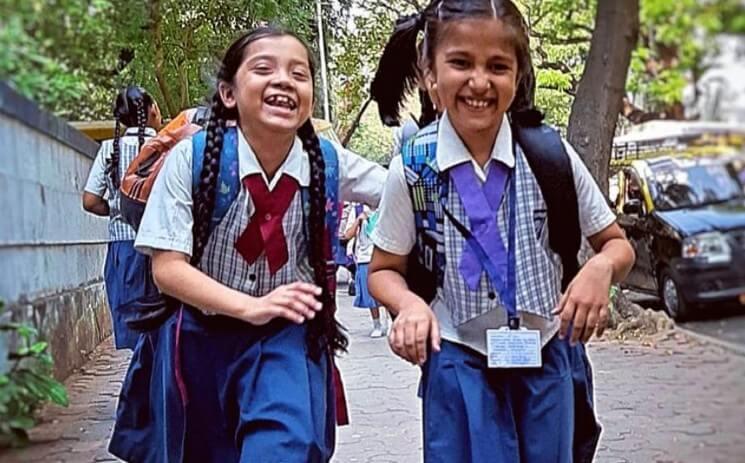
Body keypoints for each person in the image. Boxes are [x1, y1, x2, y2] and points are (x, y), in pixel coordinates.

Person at [367, 1, 636, 462]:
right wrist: (408, 304)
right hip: (457, 358)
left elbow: (616, 245)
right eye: (460, 63)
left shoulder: (550, 157)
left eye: (497, 66)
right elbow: (382, 270)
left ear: (517, 75)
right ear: (430, 74)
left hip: (546, 356)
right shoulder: (412, 169)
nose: (479, 81)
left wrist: (601, 269)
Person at [108, 27, 386, 462]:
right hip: (199, 338)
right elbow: (167, 269)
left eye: (299, 73)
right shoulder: (193, 158)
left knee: (283, 446)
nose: (284, 80)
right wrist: (249, 306)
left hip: (285, 338)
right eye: (263, 69)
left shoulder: (328, 161)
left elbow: (401, 192)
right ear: (228, 93)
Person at [82, 85, 162, 350]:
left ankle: (135, 384)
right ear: (152, 110)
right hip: (162, 247)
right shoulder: (168, 147)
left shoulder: (108, 150)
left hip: (123, 249)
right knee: (162, 331)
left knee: (133, 332)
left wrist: (116, 209)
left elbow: (90, 201)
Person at [343, 206, 387, 337]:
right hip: (364, 257)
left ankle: (390, 322)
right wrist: (358, 220)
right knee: (369, 294)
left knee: (386, 291)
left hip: (383, 255)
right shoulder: (357, 209)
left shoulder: (384, 206)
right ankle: (377, 324)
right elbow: (347, 235)